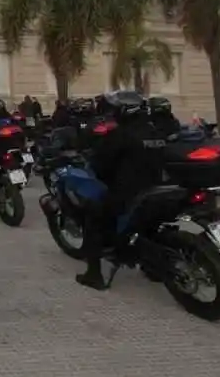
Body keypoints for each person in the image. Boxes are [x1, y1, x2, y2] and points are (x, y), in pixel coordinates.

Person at [77, 90, 165, 291]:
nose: (113, 113)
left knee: (92, 216)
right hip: (158, 189)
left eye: (115, 110)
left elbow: (101, 165)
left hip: (130, 194)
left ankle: (94, 274)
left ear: (124, 111)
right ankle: (153, 264)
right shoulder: (155, 130)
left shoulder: (120, 135)